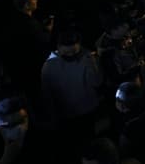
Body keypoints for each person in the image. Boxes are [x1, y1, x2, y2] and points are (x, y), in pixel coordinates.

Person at [41, 29, 103, 162]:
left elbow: (96, 82)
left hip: (87, 109)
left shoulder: (86, 58)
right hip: (66, 115)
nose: (71, 56)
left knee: (90, 143)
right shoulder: (49, 66)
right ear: (58, 48)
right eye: (67, 53)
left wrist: (92, 65)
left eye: (74, 52)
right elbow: (48, 96)